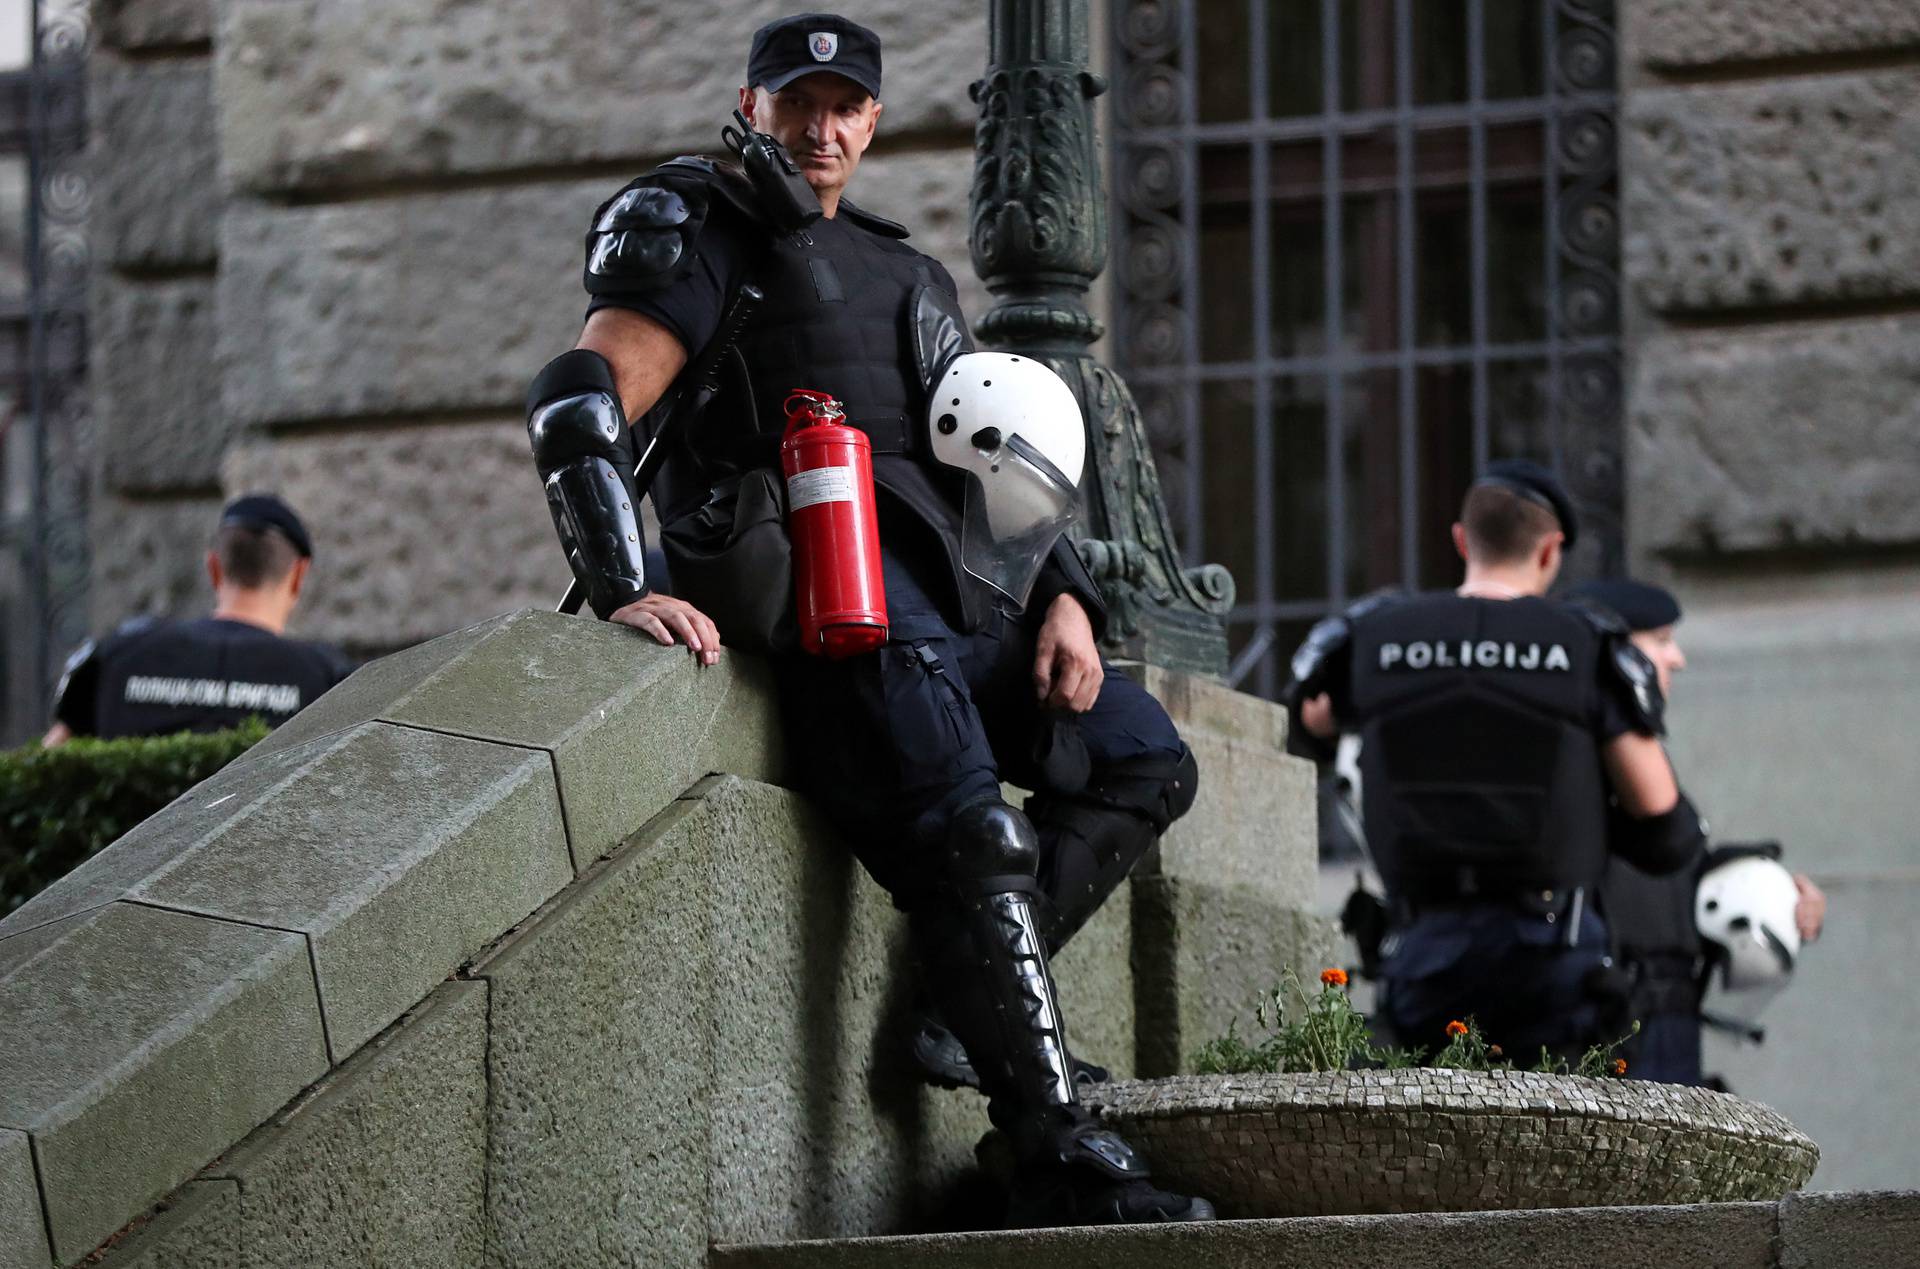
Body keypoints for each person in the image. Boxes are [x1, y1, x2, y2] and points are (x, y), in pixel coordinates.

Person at [524, 13, 1210, 1226]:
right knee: (972, 836)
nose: (822, 125)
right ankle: (1048, 1145)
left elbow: (988, 470)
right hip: (830, 603)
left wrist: (1066, 603)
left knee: (1146, 759)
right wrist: (628, 584)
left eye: (847, 105)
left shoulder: (909, 273)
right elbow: (580, 405)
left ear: (876, 121)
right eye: (801, 99)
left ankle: (961, 1002)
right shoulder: (693, 224)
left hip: (953, 598)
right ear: (754, 100)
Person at [1283, 460, 1707, 1059]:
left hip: (1425, 954)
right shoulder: (1585, 644)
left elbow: (1308, 731)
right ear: (1551, 550)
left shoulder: (1376, 637)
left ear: (1462, 539)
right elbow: (1665, 826)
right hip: (1554, 960)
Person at [1568, 578, 1826, 1085]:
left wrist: (1765, 892)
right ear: (1614, 655)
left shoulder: (1640, 758)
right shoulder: (1567, 770)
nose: (1678, 659)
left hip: (1669, 1046)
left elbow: (1664, 872)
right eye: (1661, 641)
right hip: (1598, 1055)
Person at [44, 494, 352, 744]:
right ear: (298, 574)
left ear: (214, 567)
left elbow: (48, 765)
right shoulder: (328, 678)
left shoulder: (118, 654)